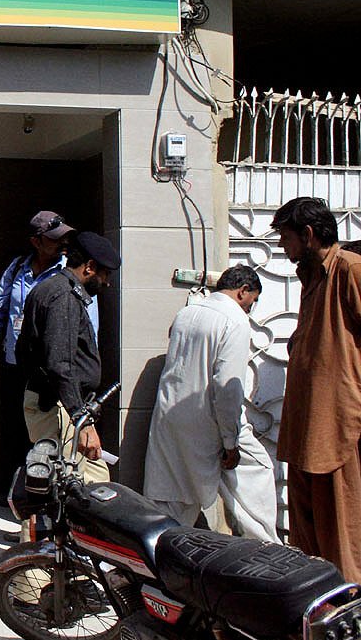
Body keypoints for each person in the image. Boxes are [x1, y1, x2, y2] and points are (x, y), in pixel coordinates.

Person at [144, 265, 278, 541]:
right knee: (257, 472)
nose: (249, 310)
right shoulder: (235, 321)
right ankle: (265, 549)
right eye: (251, 303)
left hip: (170, 417)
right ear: (243, 292)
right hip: (207, 420)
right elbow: (227, 388)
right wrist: (231, 443)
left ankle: (147, 563)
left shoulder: (187, 313)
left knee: (173, 501)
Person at [0, 212, 100, 466]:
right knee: (16, 434)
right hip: (17, 368)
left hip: (52, 375)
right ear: (36, 241)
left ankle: (46, 498)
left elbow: (89, 331)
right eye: (55, 239)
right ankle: (20, 497)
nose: (63, 244)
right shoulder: (17, 268)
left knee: (50, 441)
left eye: (65, 238)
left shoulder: (71, 276)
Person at [272, 197, 361, 581]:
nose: (282, 247)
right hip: (305, 432)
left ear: (308, 235)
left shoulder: (350, 270)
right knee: (309, 544)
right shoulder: (311, 277)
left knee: (343, 535)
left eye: (286, 237)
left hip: (339, 431)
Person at [15, 231, 119, 484]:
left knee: (92, 483)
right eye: (105, 274)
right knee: (63, 486)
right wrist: (80, 420)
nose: (106, 283)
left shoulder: (50, 289)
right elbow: (60, 364)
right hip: (60, 407)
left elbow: (24, 350)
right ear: (90, 267)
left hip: (64, 405)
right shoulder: (63, 296)